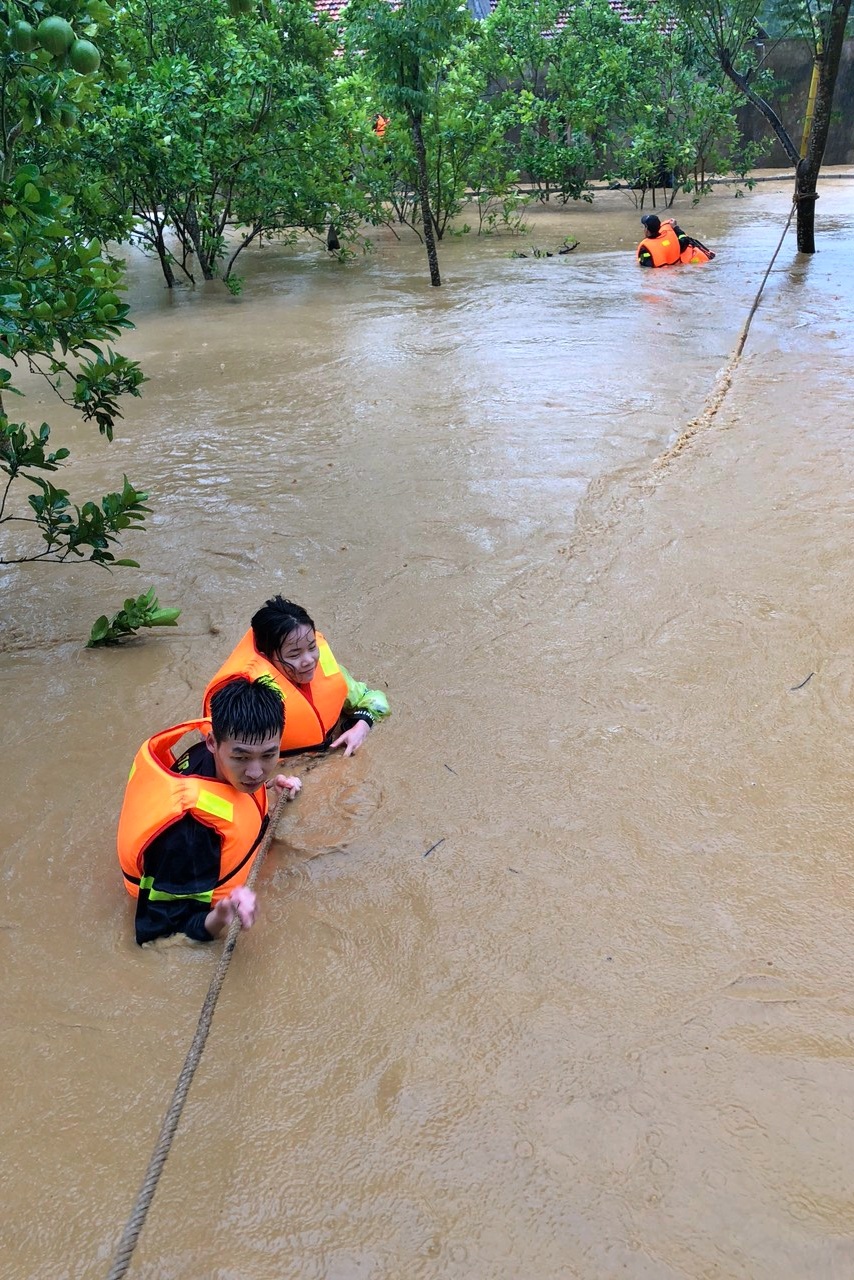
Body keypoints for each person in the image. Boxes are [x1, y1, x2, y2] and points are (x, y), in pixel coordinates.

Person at [117, 677, 301, 946]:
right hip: (183, 868)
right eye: (241, 757)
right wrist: (221, 915)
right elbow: (157, 933)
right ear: (212, 742)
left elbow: (232, 797)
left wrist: (271, 785)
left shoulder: (212, 759)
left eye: (268, 755)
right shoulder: (191, 836)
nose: (255, 771)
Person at [202, 596, 390, 758]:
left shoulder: (325, 668)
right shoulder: (249, 698)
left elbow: (374, 699)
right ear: (266, 657)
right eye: (294, 654)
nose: (309, 660)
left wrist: (362, 725)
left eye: (312, 647)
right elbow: (227, 760)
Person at [637, 213, 715, 267]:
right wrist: (675, 227)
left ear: (647, 230)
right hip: (676, 266)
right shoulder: (671, 237)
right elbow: (685, 240)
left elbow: (645, 267)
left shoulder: (645, 247)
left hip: (662, 275)